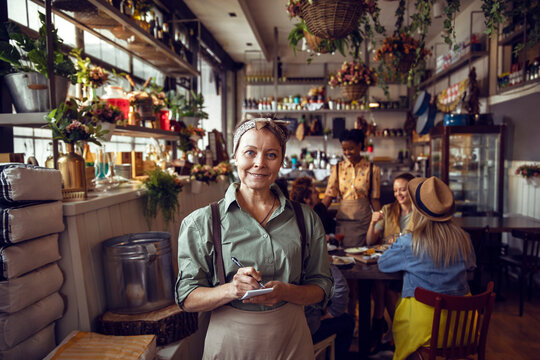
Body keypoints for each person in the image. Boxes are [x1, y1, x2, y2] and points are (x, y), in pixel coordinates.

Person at [175, 117, 333, 360]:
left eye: (271, 154)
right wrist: (231, 290)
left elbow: (322, 286)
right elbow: (187, 298)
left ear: (281, 161)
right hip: (230, 344)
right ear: (235, 156)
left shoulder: (306, 219)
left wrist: (285, 291)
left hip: (291, 340)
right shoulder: (202, 223)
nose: (259, 163)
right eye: (250, 152)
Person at [377, 176, 476, 360]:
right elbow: (471, 266)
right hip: (463, 327)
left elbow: (383, 264)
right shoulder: (464, 238)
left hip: (424, 330)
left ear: (417, 210)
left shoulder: (409, 242)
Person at [366, 173, 415, 351]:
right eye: (395, 190)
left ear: (412, 190)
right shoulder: (387, 210)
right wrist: (372, 224)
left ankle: (378, 324)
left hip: (411, 266)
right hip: (391, 263)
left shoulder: (420, 214)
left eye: (403, 190)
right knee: (381, 283)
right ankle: (391, 330)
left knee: (381, 285)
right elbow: (371, 241)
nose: (398, 194)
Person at [323, 129, 381, 247]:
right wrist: (315, 213)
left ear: (360, 145)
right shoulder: (337, 168)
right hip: (344, 221)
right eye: (344, 149)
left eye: (351, 148)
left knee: (364, 253)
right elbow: (329, 195)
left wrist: (380, 222)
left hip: (364, 221)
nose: (347, 152)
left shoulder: (372, 169)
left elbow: (374, 199)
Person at [305, 262, 355, 360]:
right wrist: (333, 312)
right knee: (347, 322)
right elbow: (340, 289)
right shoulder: (311, 254)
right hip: (307, 332)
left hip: (276, 337)